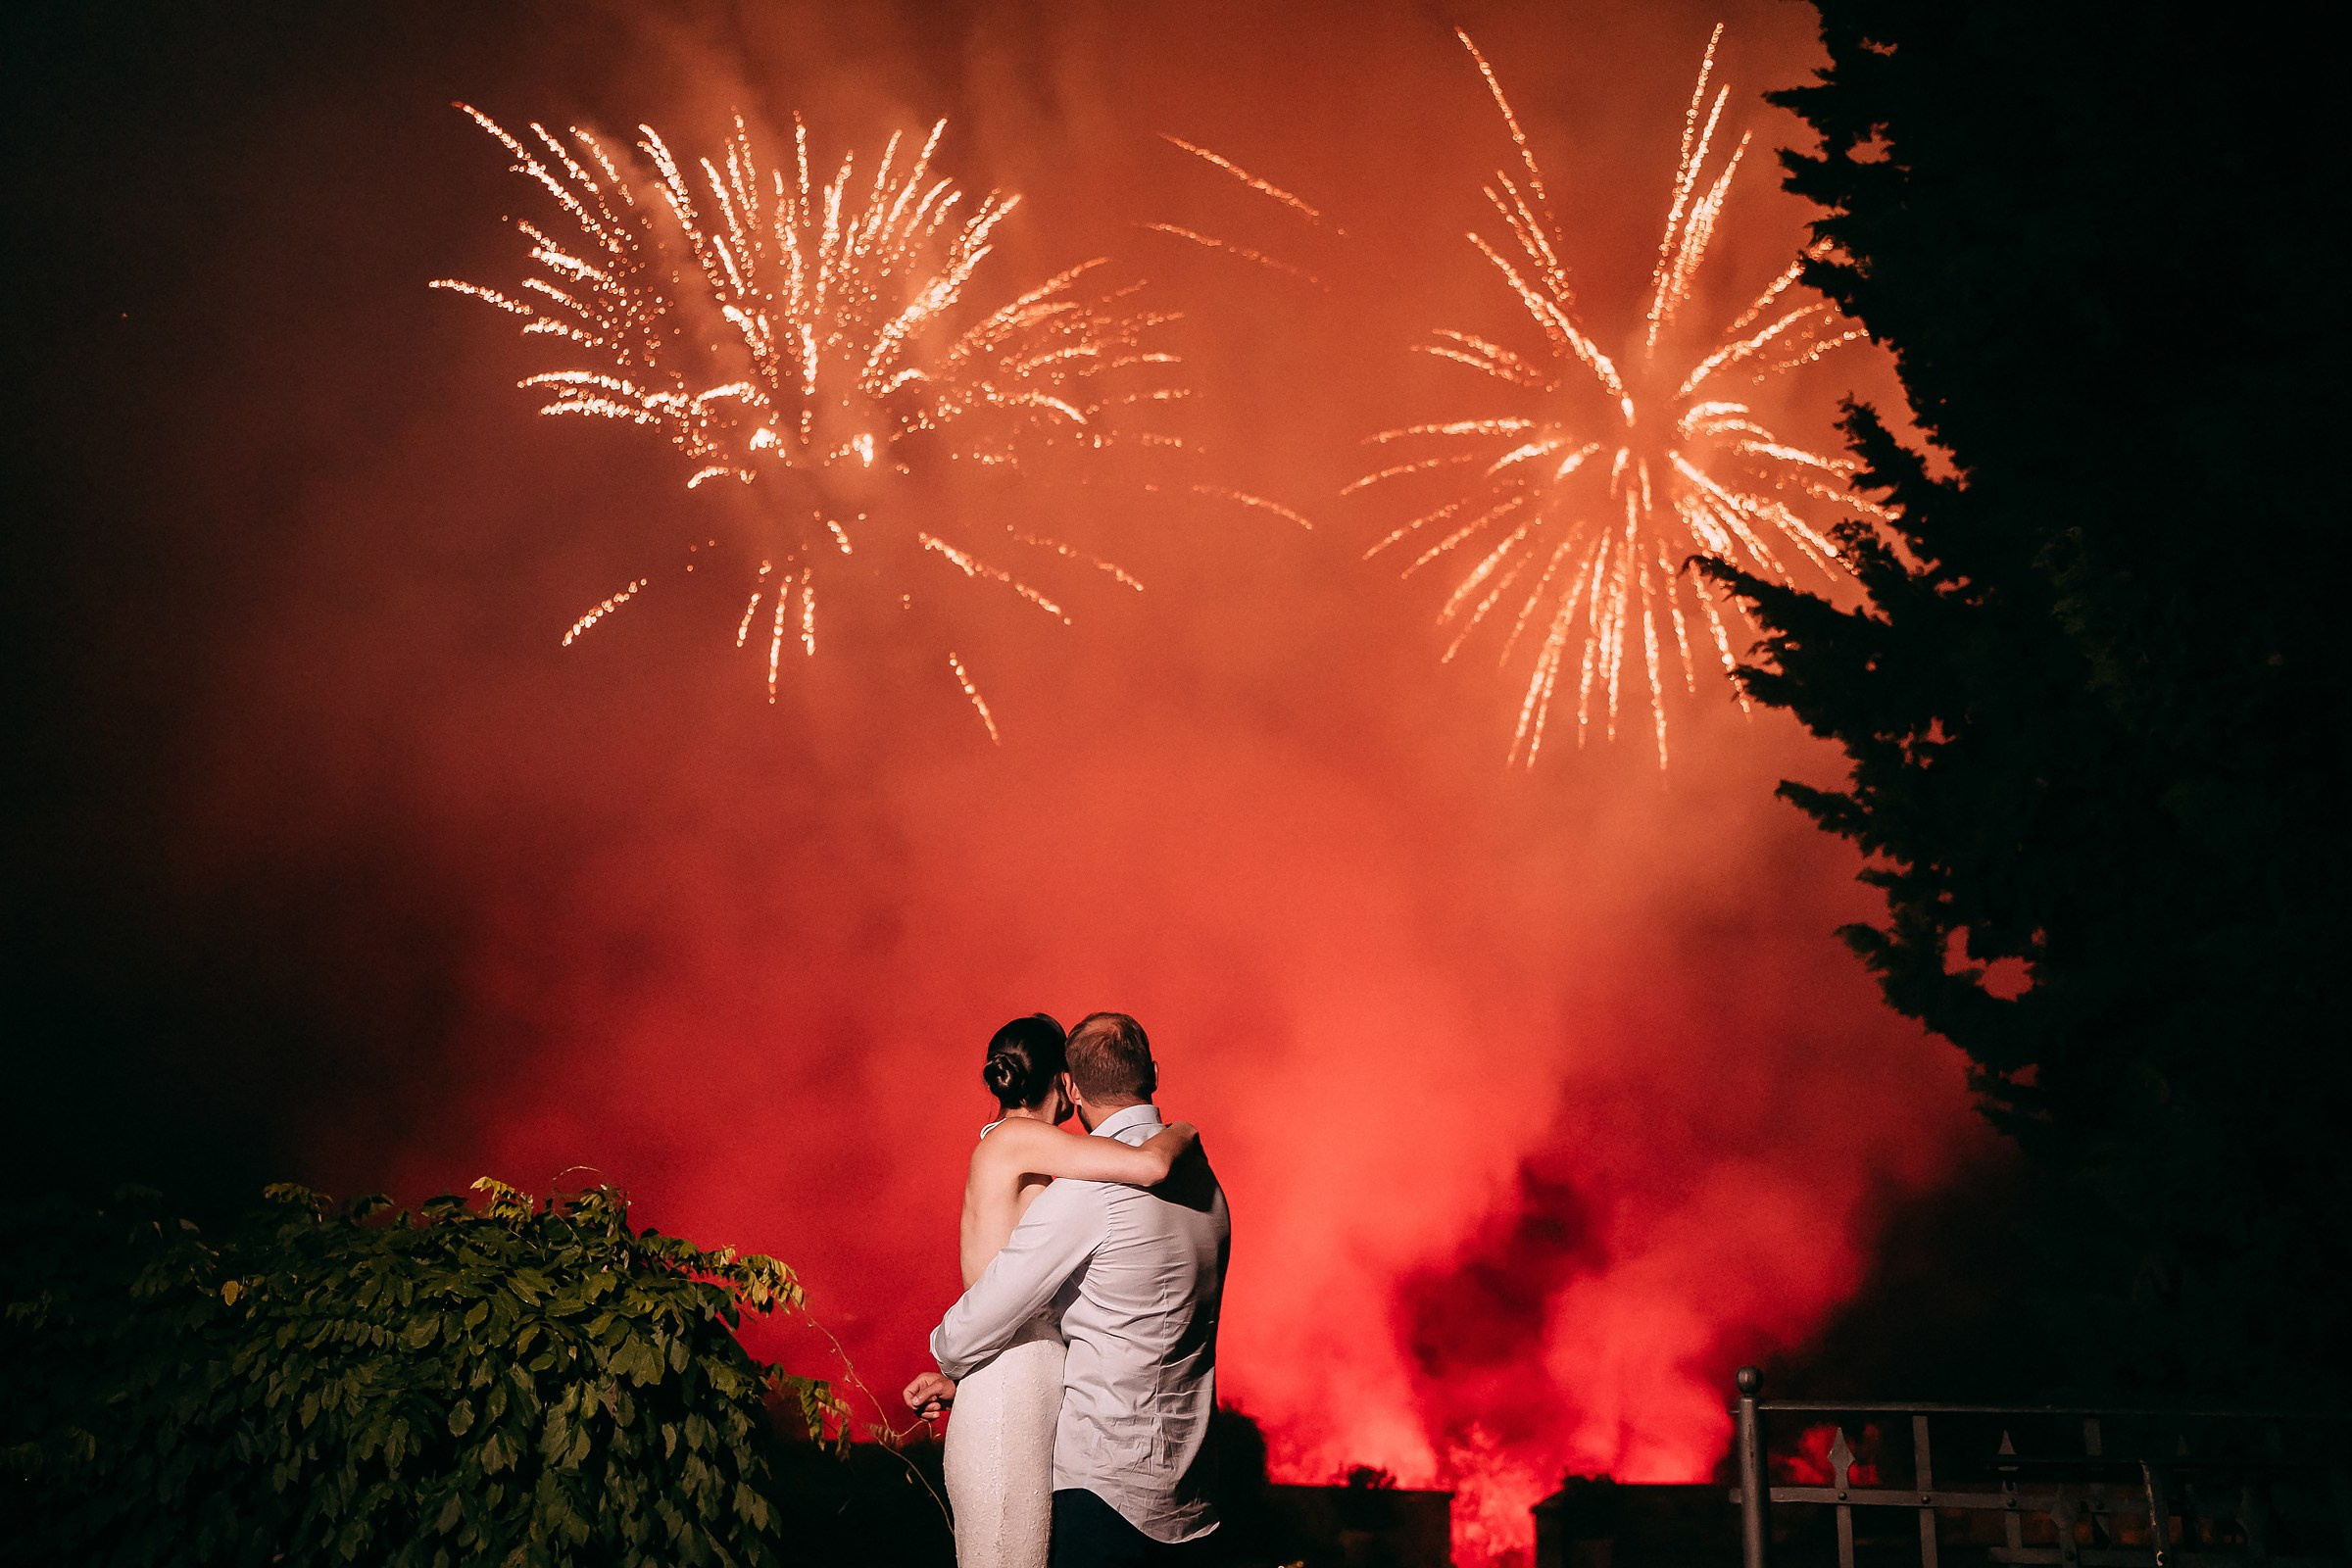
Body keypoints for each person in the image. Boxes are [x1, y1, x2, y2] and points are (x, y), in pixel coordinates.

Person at [908, 1012, 1231, 1568]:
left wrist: (957, 1363)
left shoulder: (1080, 1190)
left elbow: (1040, 1301)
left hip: (1084, 1456)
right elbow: (1149, 1166)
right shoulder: (1203, 1184)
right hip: (1183, 1487)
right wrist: (1182, 1131)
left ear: (1074, 1085)